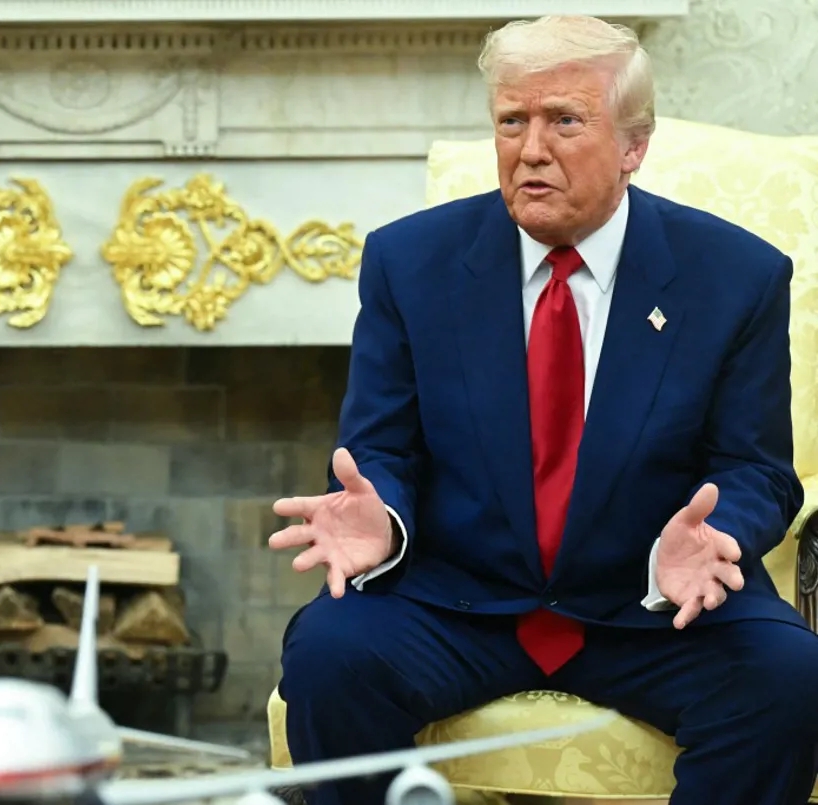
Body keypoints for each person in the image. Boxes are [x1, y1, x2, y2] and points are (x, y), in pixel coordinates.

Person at [271, 14, 818, 805]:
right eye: (511, 122)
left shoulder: (735, 276)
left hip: (652, 601)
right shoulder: (409, 262)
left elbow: (756, 467)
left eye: (564, 121)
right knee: (329, 654)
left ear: (633, 145)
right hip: (459, 600)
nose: (531, 149)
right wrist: (383, 517)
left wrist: (720, 532)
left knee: (787, 677)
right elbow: (380, 448)